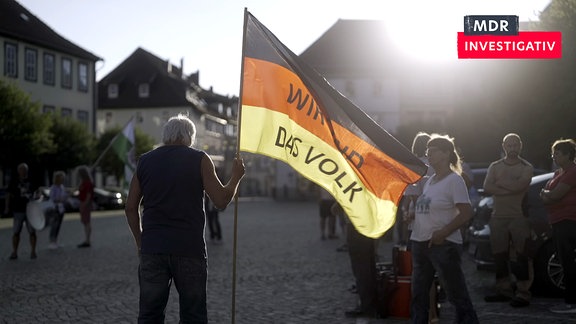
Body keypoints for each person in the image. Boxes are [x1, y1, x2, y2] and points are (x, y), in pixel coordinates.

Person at [124, 114, 245, 323]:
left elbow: (130, 207)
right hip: (189, 248)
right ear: (190, 137)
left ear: (166, 136)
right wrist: (236, 177)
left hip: (153, 248)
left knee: (149, 315)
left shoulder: (145, 161)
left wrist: (140, 241)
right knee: (193, 315)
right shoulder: (199, 159)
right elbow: (221, 200)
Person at [410, 134, 479, 324]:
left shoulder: (454, 180)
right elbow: (429, 206)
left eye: (432, 152)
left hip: (444, 245)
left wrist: (443, 232)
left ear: (446, 154)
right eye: (427, 152)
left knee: (457, 295)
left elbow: (466, 213)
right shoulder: (431, 180)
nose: (428, 155)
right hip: (420, 242)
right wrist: (414, 214)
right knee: (418, 296)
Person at [483, 133, 534, 308]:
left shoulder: (526, 167)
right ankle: (503, 291)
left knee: (521, 256)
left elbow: (521, 186)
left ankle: (523, 294)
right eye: (509, 145)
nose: (512, 148)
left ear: (520, 146)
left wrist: (500, 186)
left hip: (518, 217)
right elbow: (487, 186)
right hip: (497, 218)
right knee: (499, 257)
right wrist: (509, 187)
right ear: (504, 146)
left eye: (515, 145)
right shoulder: (495, 166)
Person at [540, 139, 576, 314]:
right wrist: (548, 195)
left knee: (568, 262)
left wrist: (547, 195)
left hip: (569, 221)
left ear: (568, 154)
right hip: (557, 220)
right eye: (553, 153)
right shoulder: (557, 173)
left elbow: (555, 195)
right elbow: (548, 194)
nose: (554, 156)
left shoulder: (572, 172)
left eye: (558, 153)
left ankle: (572, 302)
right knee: (564, 261)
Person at [332, 202, 378, 319]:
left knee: (361, 267)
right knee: (367, 265)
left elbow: (348, 193)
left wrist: (338, 204)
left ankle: (366, 305)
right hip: (366, 223)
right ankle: (371, 303)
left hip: (356, 225)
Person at [5, 163, 39, 260]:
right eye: (21, 170)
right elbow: (8, 194)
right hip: (18, 209)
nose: (22, 172)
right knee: (16, 231)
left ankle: (33, 251)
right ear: (18, 171)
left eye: (24, 170)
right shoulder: (14, 181)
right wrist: (7, 207)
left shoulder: (32, 181)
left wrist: (37, 199)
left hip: (30, 209)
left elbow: (38, 192)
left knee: (32, 231)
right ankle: (14, 252)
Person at [48, 171, 68, 249]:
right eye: (62, 178)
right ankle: (51, 242)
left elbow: (64, 196)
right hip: (55, 208)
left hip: (61, 208)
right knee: (54, 225)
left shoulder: (62, 187)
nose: (63, 179)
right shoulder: (53, 188)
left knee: (58, 225)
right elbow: (52, 198)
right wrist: (60, 199)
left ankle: (55, 241)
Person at [77, 165, 94, 248]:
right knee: (85, 222)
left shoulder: (88, 183)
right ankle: (87, 239)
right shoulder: (83, 182)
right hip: (82, 203)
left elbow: (88, 195)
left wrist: (84, 204)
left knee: (87, 222)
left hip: (85, 204)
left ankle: (87, 240)